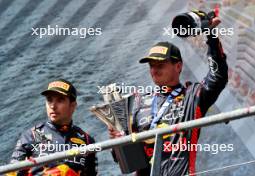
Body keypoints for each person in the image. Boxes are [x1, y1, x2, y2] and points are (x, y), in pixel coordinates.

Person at [109, 17, 228, 175]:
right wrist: (117, 139)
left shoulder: (192, 95)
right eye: (151, 65)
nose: (154, 70)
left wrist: (211, 35)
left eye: (160, 65)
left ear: (178, 66)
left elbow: (218, 76)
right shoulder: (137, 101)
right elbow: (127, 161)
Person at [9, 79, 97, 176]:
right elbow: (12, 172)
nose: (53, 106)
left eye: (60, 100)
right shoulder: (34, 135)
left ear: (72, 106)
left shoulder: (86, 140)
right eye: (49, 100)